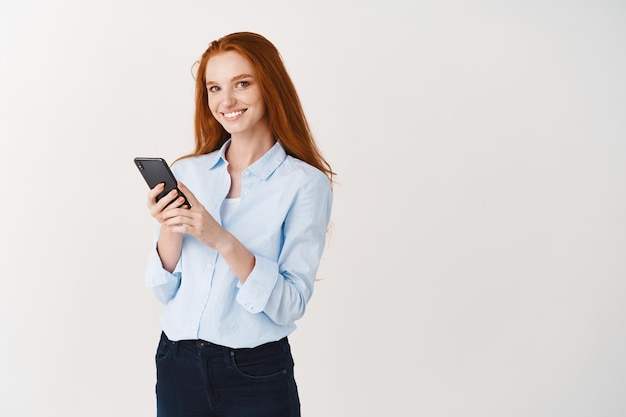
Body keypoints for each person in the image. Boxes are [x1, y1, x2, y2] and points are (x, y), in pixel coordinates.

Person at [142, 31, 334, 417]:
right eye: (214, 88)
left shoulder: (304, 184)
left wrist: (221, 239)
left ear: (271, 87)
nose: (226, 101)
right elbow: (164, 291)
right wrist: (169, 224)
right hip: (177, 363)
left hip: (255, 373)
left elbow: (290, 304)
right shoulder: (188, 173)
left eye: (242, 84)